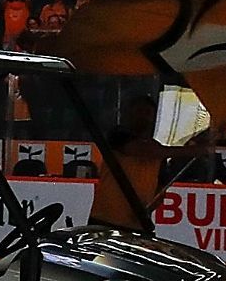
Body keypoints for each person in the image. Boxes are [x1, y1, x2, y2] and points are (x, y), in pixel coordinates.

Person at [91, 95, 214, 231]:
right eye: (138, 111)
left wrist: (149, 208)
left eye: (147, 113)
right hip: (105, 219)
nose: (142, 117)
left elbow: (161, 188)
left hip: (136, 224)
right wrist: (191, 151)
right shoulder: (118, 135)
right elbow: (142, 150)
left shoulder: (157, 148)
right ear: (128, 114)